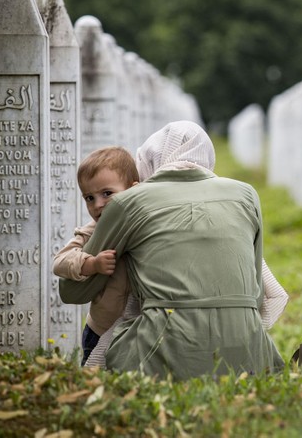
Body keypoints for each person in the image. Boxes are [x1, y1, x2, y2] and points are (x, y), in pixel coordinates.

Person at [59, 121, 285, 379]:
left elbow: (72, 290)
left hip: (157, 354)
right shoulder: (247, 194)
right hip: (249, 354)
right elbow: (255, 295)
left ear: (149, 160)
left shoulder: (129, 201)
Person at [52, 146, 139, 365]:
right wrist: (91, 264)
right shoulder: (93, 230)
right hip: (99, 328)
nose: (97, 205)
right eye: (89, 198)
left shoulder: (144, 226)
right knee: (94, 379)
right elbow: (60, 262)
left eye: (107, 194)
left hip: (136, 326)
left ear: (134, 190)